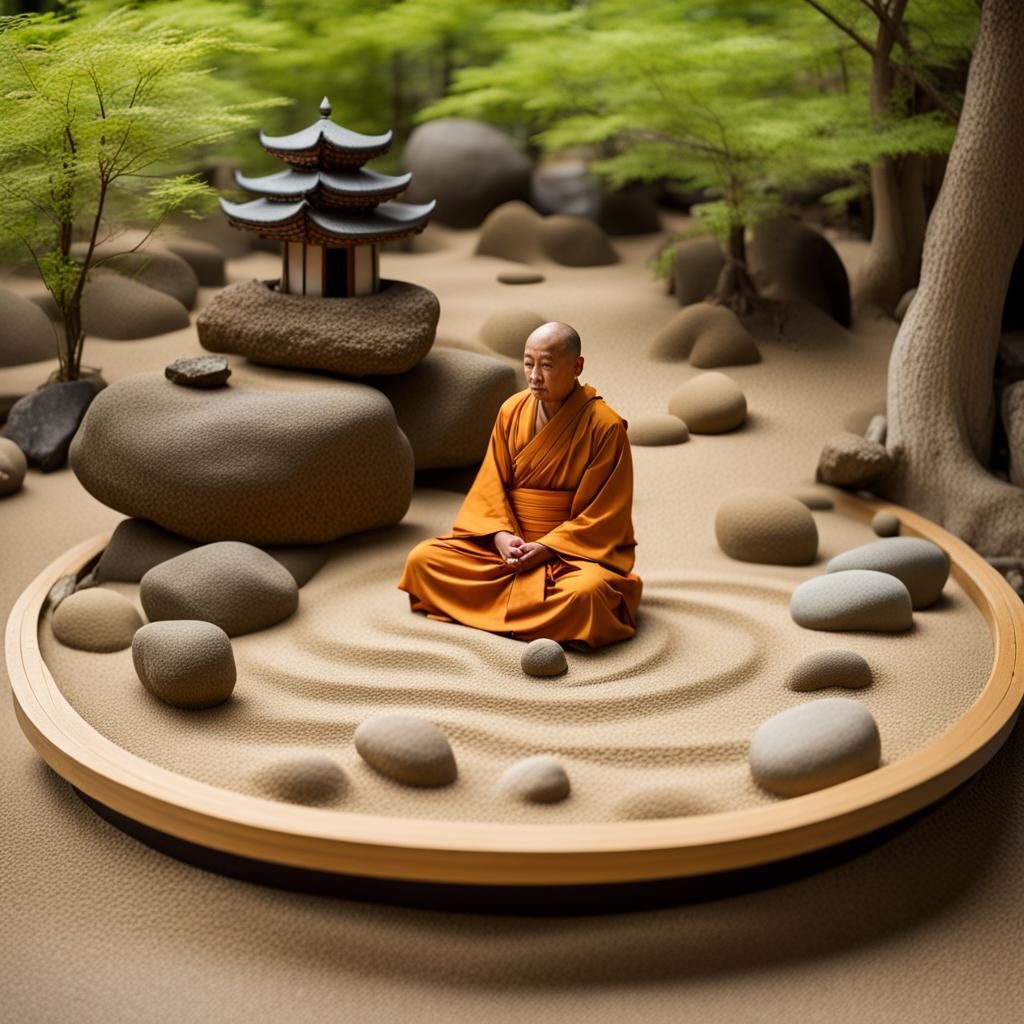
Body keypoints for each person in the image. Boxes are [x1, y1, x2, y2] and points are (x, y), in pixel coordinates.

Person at [398, 321, 642, 649]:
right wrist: (500, 536)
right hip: (507, 549)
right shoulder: (511, 410)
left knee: (587, 595)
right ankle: (544, 622)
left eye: (547, 365)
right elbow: (490, 485)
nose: (535, 376)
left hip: (568, 556)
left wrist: (545, 548)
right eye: (529, 364)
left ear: (577, 366)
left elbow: (604, 515)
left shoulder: (605, 427)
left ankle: (498, 612)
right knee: (423, 560)